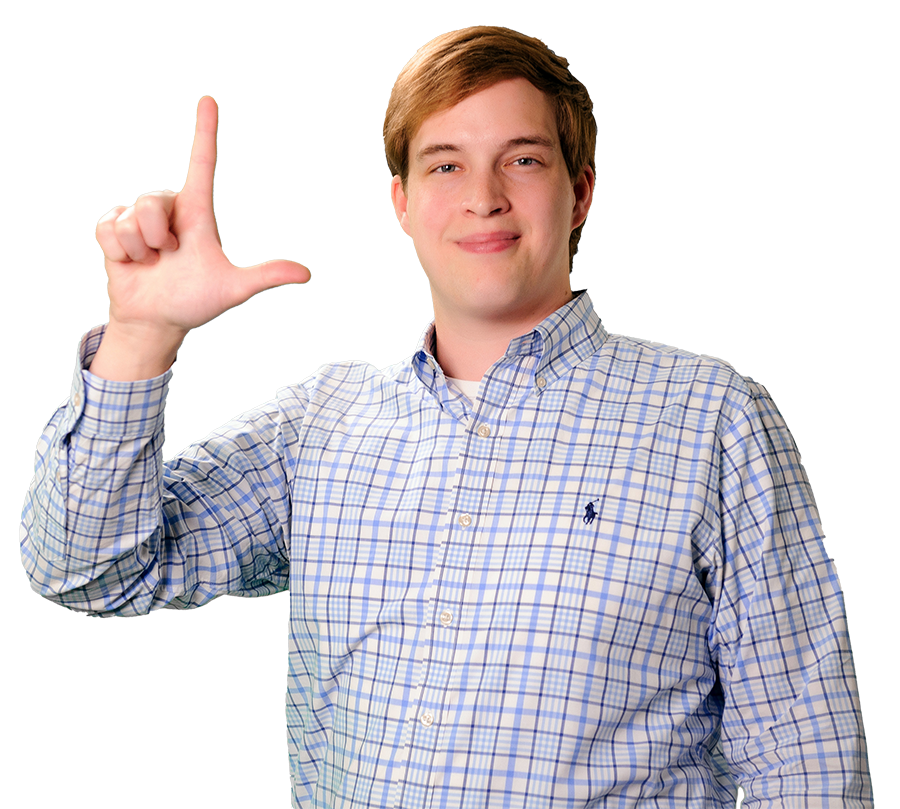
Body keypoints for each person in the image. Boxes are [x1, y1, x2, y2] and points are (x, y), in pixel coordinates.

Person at [20, 26, 873, 807]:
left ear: (578, 193)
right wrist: (140, 333)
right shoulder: (321, 427)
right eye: (445, 165)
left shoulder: (711, 420)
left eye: (524, 160)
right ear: (401, 201)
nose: (484, 197)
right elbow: (88, 569)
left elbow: (803, 754)